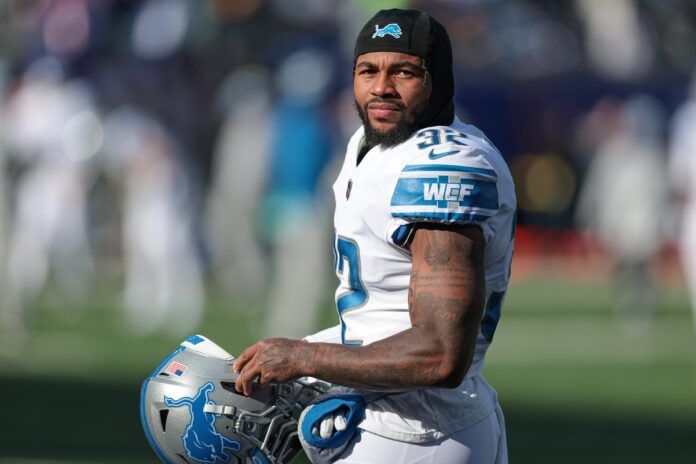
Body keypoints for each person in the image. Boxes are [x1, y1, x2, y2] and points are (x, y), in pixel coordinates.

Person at [233, 9, 515, 463]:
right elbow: (377, 315)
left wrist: (303, 358)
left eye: (403, 71)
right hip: (386, 416)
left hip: (421, 430)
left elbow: (439, 354)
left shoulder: (441, 166)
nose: (381, 87)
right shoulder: (370, 141)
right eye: (368, 70)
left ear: (437, 78)